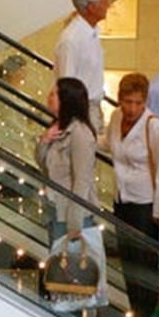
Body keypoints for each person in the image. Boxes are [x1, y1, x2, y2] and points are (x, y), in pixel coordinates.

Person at [101, 72, 159, 317]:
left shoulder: (153, 126)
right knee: (128, 265)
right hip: (121, 200)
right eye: (128, 101)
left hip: (145, 205)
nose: (132, 108)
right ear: (119, 100)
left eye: (138, 103)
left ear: (145, 101)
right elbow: (109, 144)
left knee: (145, 268)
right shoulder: (117, 117)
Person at [35, 77, 98, 242]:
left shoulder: (80, 133)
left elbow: (82, 179)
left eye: (55, 94)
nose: (49, 96)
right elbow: (43, 164)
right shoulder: (57, 127)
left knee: (70, 262)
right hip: (55, 208)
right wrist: (44, 141)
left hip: (72, 214)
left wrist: (75, 222)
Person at [54, 0, 110, 134]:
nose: (109, 6)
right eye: (105, 2)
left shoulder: (92, 32)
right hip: (80, 112)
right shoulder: (71, 39)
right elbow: (66, 83)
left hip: (93, 107)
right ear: (91, 7)